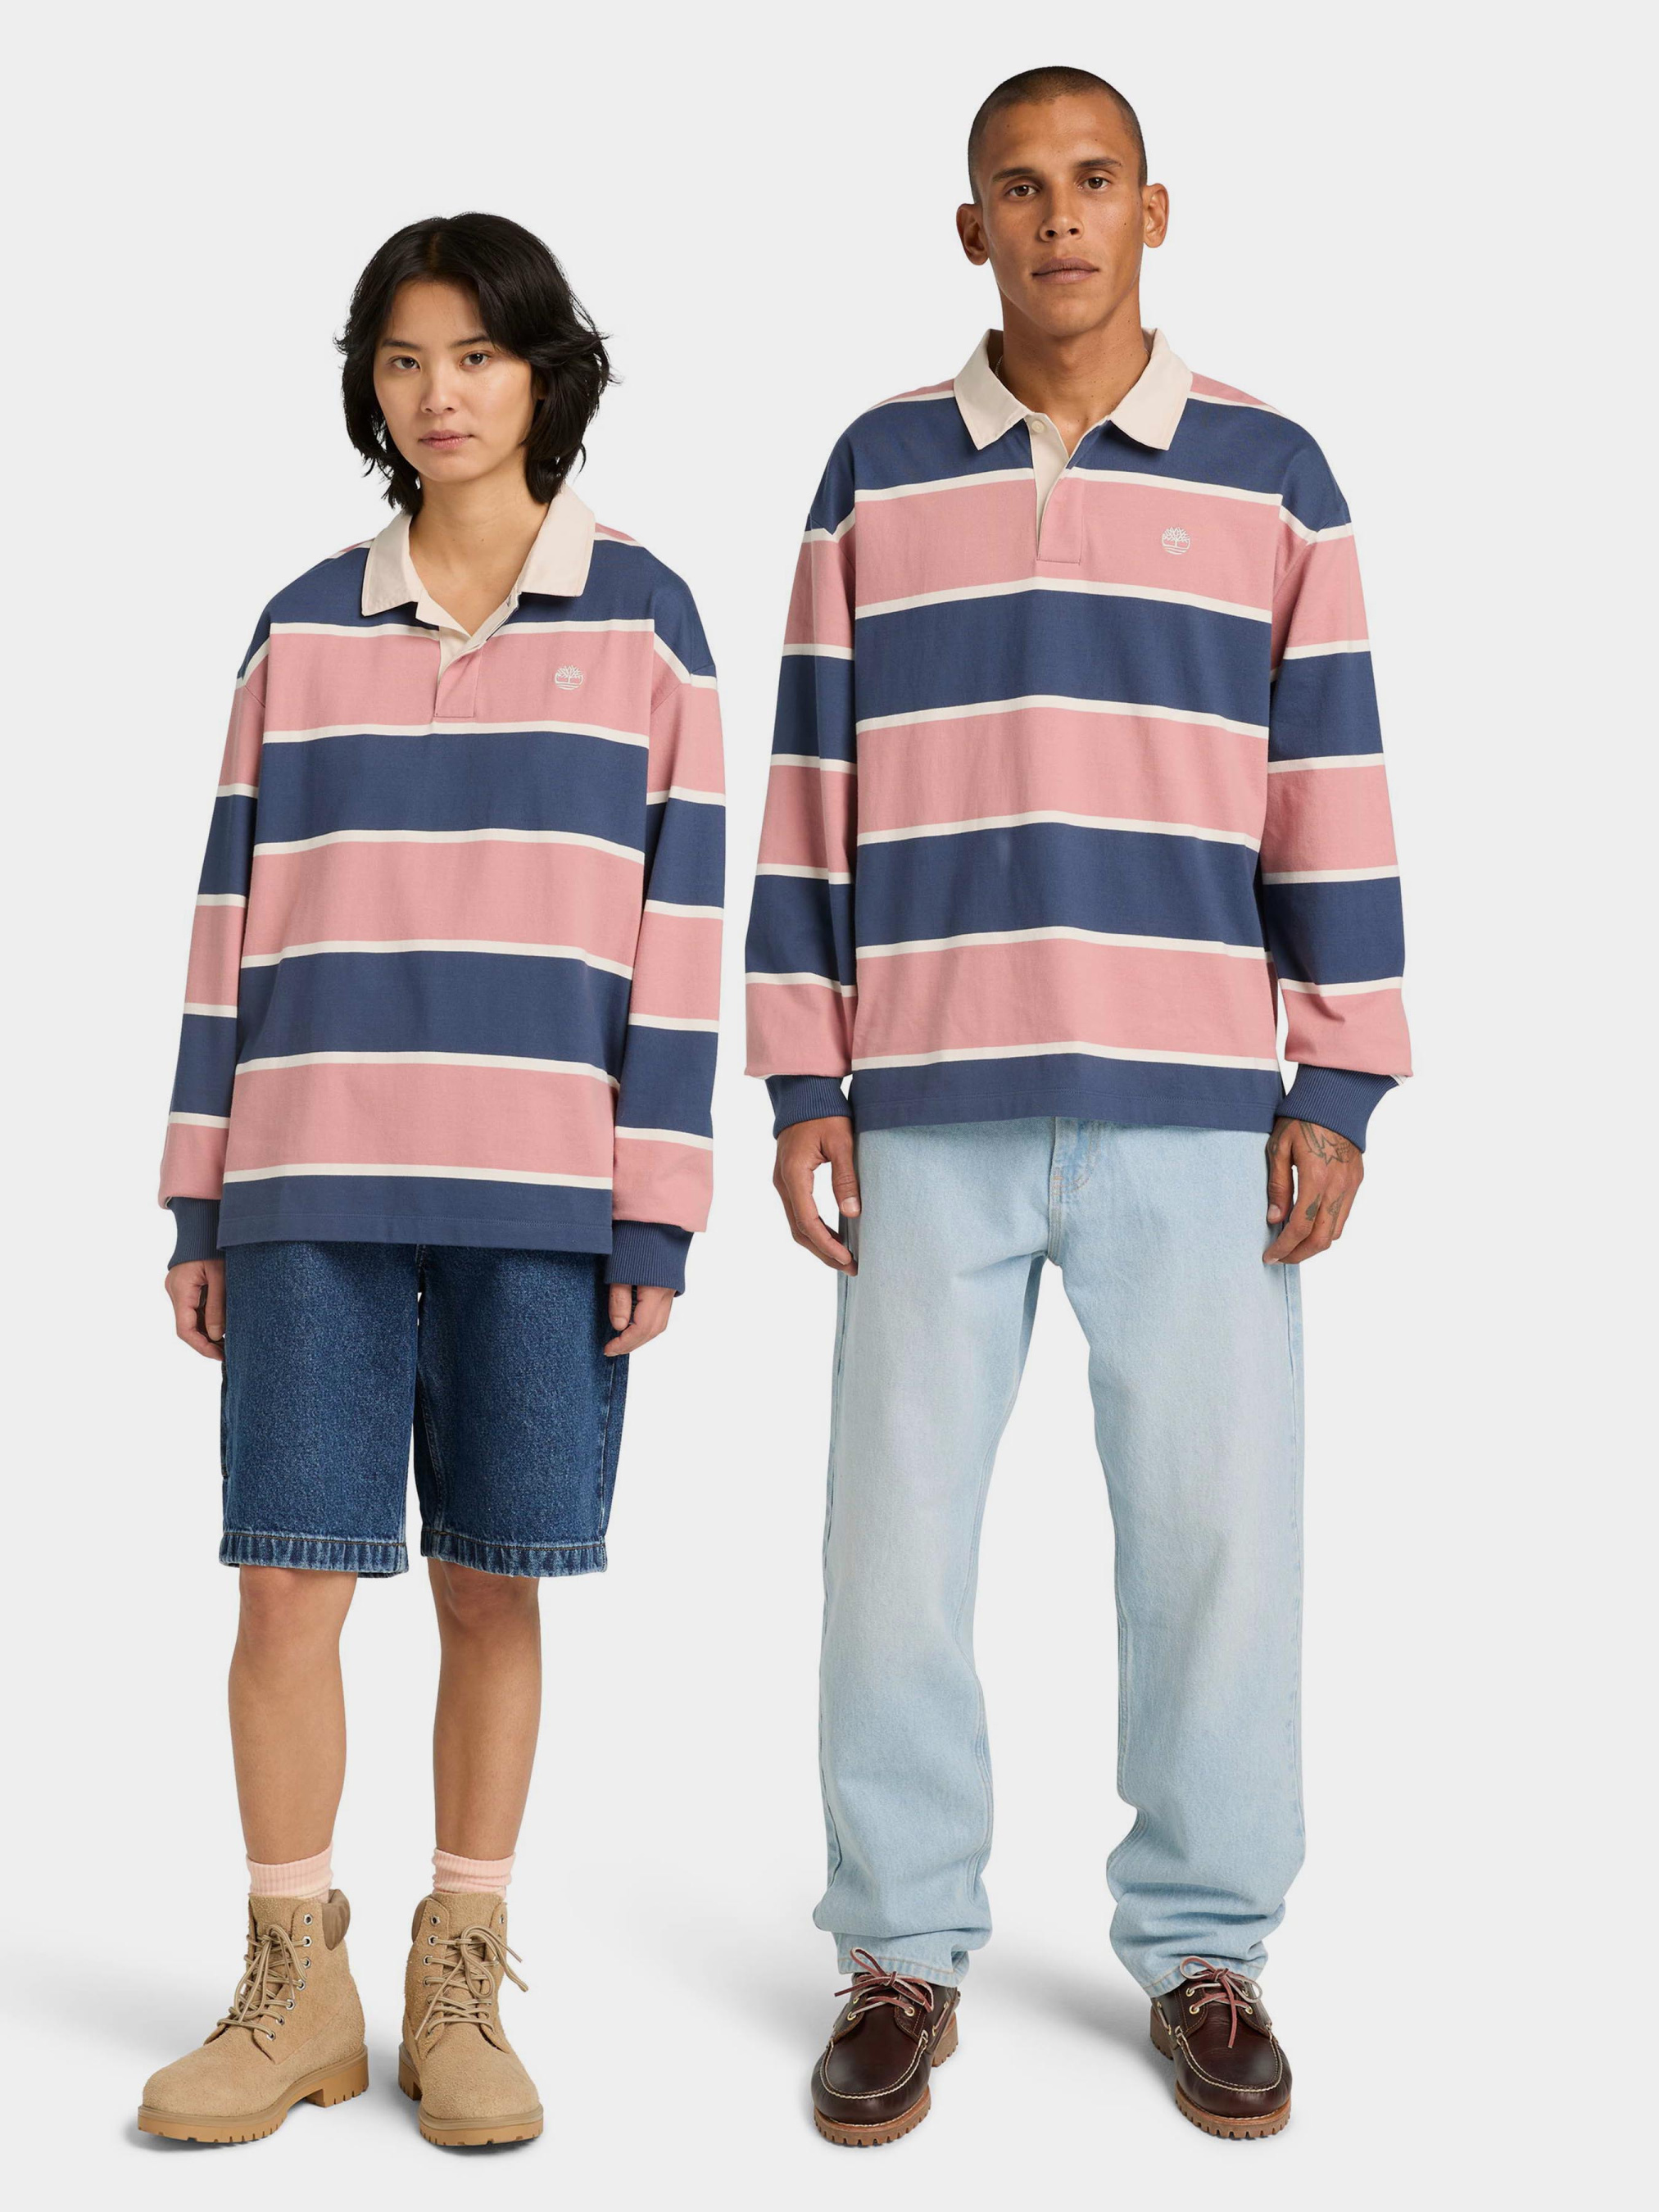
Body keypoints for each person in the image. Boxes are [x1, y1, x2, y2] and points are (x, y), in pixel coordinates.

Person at [746, 66, 1408, 2144]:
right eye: (1018, 188)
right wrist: (799, 1071)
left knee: (1215, 1549)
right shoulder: (872, 474)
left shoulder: (1272, 476)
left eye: (1091, 181)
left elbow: (1327, 783)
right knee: (890, 1556)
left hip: (1195, 1103)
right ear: (970, 228)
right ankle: (895, 1949)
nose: (1056, 217)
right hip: (927, 1093)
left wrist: (1341, 1077)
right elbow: (808, 790)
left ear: (1151, 211)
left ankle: (1206, 1947)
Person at [142, 212, 724, 2146]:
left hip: (541, 1193)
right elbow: (226, 926)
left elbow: (680, 936)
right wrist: (199, 1196)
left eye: (473, 355)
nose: (437, 394)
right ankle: (291, 1984)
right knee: (284, 1590)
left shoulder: (648, 624)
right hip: (309, 1180)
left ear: (545, 370)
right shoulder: (301, 628)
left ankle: (456, 1971)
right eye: (402, 361)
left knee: (493, 1588)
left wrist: (653, 1205)